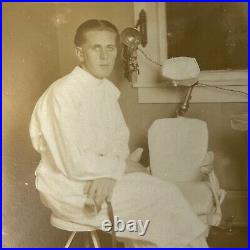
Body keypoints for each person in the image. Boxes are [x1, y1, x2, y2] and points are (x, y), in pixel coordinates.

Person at [29, 19, 208, 247]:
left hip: (101, 177)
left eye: (110, 48)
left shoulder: (106, 91)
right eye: (96, 48)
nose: (105, 56)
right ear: (80, 53)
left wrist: (109, 173)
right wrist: (113, 170)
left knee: (163, 199)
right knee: (162, 199)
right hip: (69, 187)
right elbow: (73, 163)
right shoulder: (62, 95)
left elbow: (118, 140)